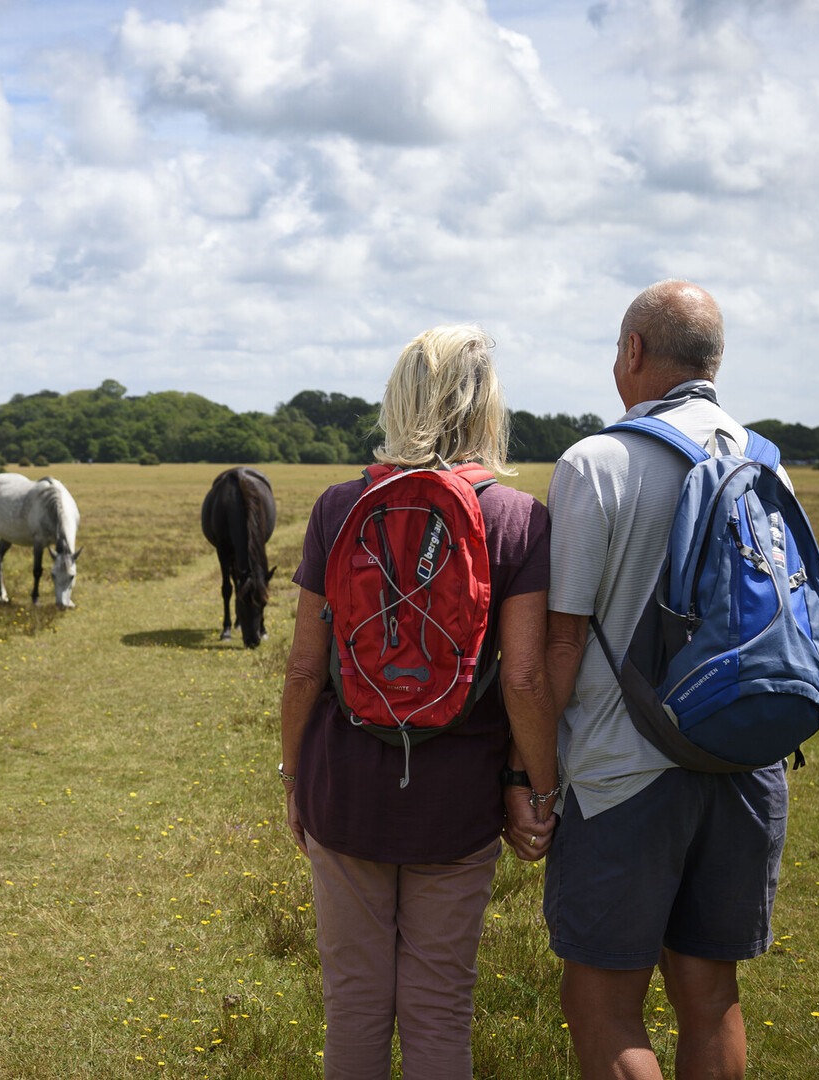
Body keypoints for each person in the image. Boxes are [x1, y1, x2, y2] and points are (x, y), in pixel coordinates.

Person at [280, 325, 558, 1080]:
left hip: (343, 790)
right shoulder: (518, 518)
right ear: (488, 408)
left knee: (353, 1008)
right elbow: (525, 678)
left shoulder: (339, 507)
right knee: (439, 1011)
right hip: (456, 798)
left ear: (398, 400)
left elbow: (305, 669)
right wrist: (534, 785)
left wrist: (293, 778)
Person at [544, 280, 786, 1079]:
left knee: (602, 1002)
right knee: (710, 994)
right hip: (746, 762)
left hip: (623, 773)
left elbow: (563, 638)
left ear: (634, 353)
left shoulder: (596, 461)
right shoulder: (766, 463)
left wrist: (531, 770)